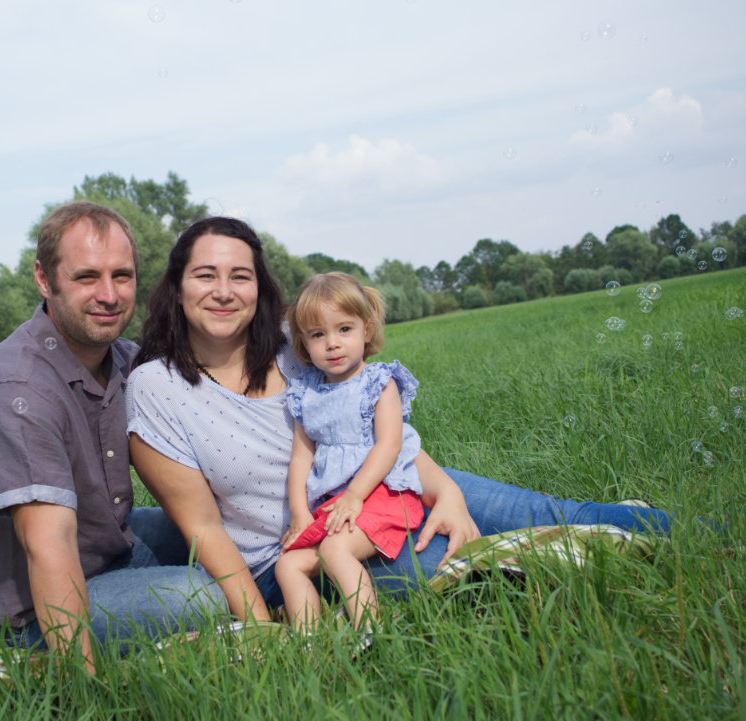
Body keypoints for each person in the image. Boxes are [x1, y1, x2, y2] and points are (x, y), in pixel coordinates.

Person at [125, 216, 672, 623]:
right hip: (311, 550)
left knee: (557, 511)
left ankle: (706, 539)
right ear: (176, 287)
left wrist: (448, 493)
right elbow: (202, 527)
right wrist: (261, 626)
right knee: (497, 567)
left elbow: (377, 432)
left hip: (397, 489)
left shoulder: (301, 344)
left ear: (260, 287)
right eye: (205, 275)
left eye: (240, 276)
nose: (224, 291)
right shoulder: (157, 387)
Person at [0, 201, 224, 671]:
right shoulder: (18, 391)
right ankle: (13, 665)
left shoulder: (124, 359)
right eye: (87, 277)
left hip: (100, 548)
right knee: (206, 596)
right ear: (43, 278)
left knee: (221, 530)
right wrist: (85, 690)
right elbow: (47, 545)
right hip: (25, 615)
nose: (110, 295)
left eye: (123, 276)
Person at [275, 273, 425, 631]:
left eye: (344, 329)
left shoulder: (378, 382)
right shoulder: (305, 393)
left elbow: (389, 444)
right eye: (318, 334)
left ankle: (370, 632)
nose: (332, 344)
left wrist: (356, 495)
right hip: (336, 505)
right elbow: (302, 457)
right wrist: (299, 511)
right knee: (289, 564)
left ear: (367, 330)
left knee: (334, 550)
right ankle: (310, 642)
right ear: (303, 343)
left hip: (382, 493)